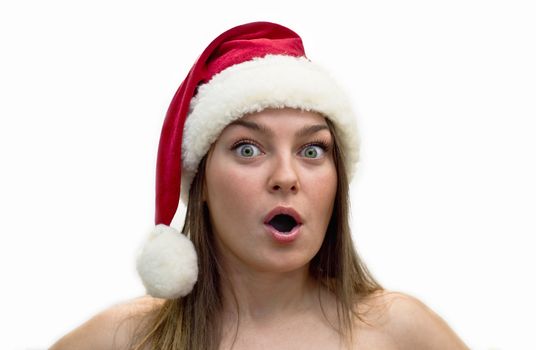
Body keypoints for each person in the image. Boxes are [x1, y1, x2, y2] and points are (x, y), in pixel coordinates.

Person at [50, 21, 469, 349]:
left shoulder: (402, 333)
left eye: (312, 151)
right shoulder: (124, 339)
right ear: (203, 185)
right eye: (248, 149)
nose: (286, 177)